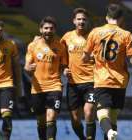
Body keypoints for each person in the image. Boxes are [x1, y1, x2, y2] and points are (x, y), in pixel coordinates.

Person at [82, 3, 132, 140]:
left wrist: (92, 57)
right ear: (121, 18)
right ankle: (111, 133)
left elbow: (85, 57)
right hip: (120, 82)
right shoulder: (126, 34)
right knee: (114, 117)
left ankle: (109, 132)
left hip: (102, 80)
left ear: (106, 17)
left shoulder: (95, 32)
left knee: (102, 114)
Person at [24, 16, 68, 140]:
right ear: (40, 29)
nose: (48, 30)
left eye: (51, 28)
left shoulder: (60, 47)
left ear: (55, 30)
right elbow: (26, 66)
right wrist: (28, 68)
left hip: (55, 86)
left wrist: (65, 71)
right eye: (46, 28)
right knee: (41, 121)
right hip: (37, 88)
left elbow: (64, 65)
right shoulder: (33, 46)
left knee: (51, 117)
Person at [60, 8, 96, 140]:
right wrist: (64, 68)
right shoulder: (67, 37)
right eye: (79, 19)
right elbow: (60, 56)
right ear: (74, 21)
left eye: (84, 19)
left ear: (88, 21)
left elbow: (103, 56)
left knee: (89, 112)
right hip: (73, 84)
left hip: (91, 82)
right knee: (75, 119)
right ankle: (82, 137)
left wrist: (94, 58)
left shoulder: (94, 37)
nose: (81, 21)